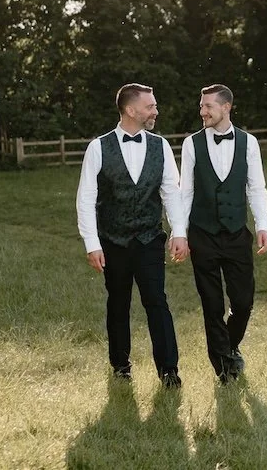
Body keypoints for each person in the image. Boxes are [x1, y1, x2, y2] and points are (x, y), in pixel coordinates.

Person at [76, 83, 190, 388]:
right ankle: (120, 366)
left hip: (149, 239)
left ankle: (169, 370)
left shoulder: (161, 146)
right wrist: (92, 244)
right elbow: (86, 198)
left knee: (157, 301)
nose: (155, 111)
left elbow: (171, 193)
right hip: (113, 241)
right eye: (150, 106)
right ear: (130, 109)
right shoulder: (99, 147)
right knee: (118, 303)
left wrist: (179, 232)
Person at [180, 83, 267, 383]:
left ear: (226, 107)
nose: (202, 111)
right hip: (203, 235)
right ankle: (223, 367)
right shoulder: (192, 144)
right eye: (201, 105)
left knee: (243, 302)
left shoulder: (249, 142)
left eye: (208, 106)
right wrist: (180, 232)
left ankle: (230, 347)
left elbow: (256, 187)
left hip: (235, 234)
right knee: (212, 305)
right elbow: (185, 193)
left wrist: (262, 225)